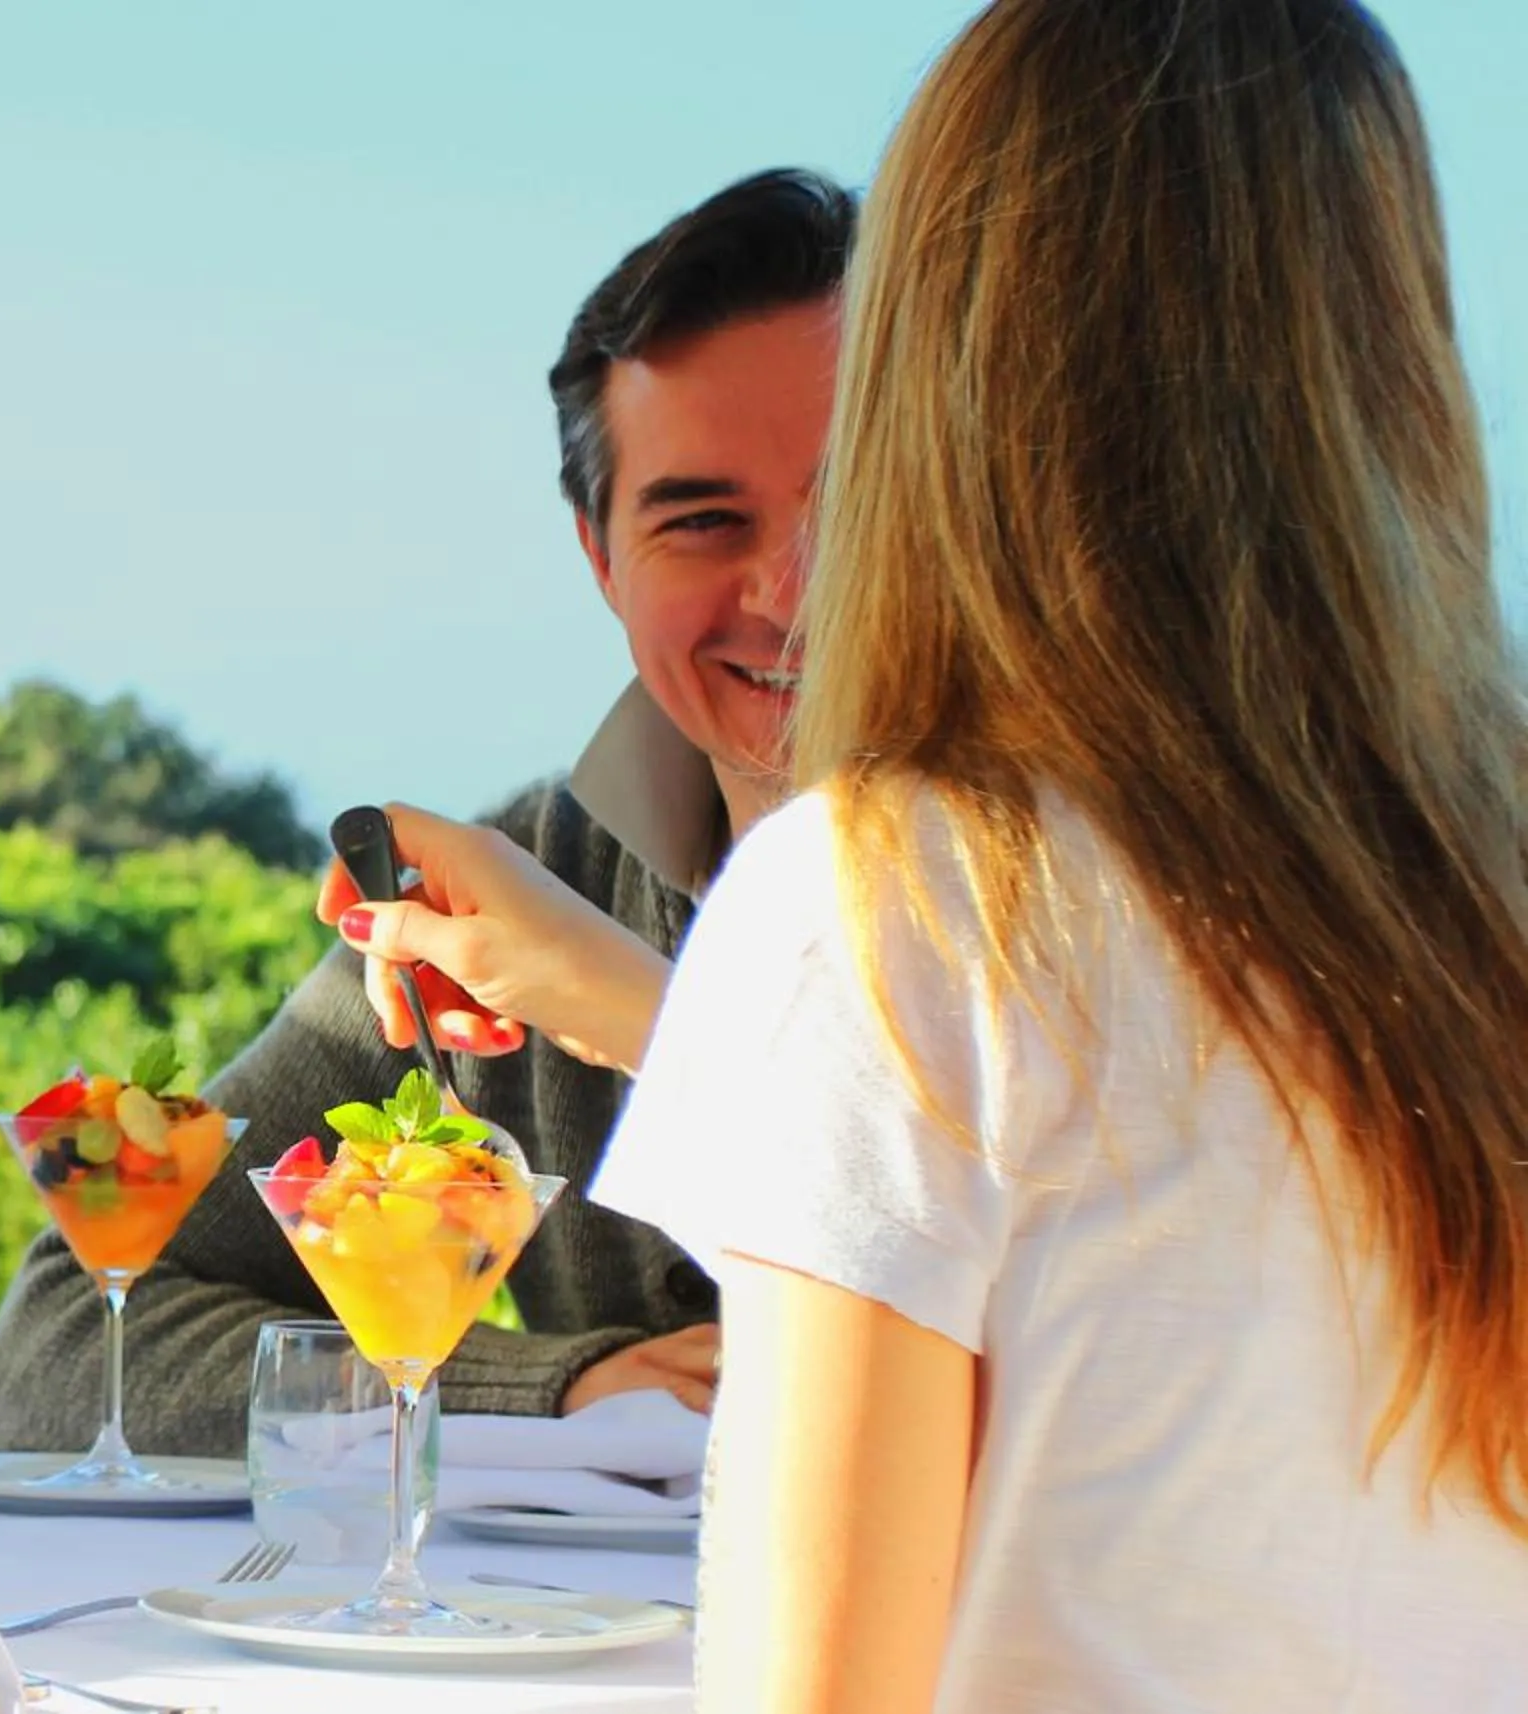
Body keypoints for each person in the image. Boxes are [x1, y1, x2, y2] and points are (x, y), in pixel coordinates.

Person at [340, 0, 1528, 1706]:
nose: (786, 582)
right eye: (703, 515)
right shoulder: (1472, 884)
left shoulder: (891, 894)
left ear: (946, 356)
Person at [0, 167, 853, 1456]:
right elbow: (68, 1343)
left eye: (857, 504)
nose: (790, 591)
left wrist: (641, 1017)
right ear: (601, 558)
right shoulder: (515, 886)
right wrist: (558, 1391)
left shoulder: (1105, 891)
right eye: (704, 522)